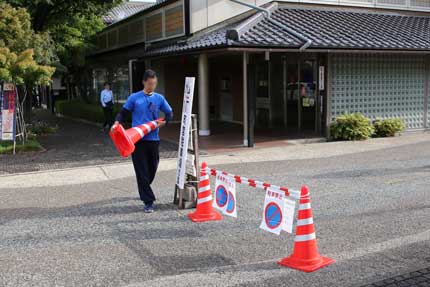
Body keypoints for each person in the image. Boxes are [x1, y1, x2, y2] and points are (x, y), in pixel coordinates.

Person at [112, 70, 173, 213]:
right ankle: (148, 201)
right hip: (137, 141)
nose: (152, 86)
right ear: (144, 82)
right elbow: (123, 113)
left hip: (153, 139)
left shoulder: (159, 98)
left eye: (154, 83)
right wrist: (116, 123)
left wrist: (165, 122)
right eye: (150, 83)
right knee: (141, 172)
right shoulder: (134, 98)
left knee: (152, 168)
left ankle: (144, 186)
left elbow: (169, 113)